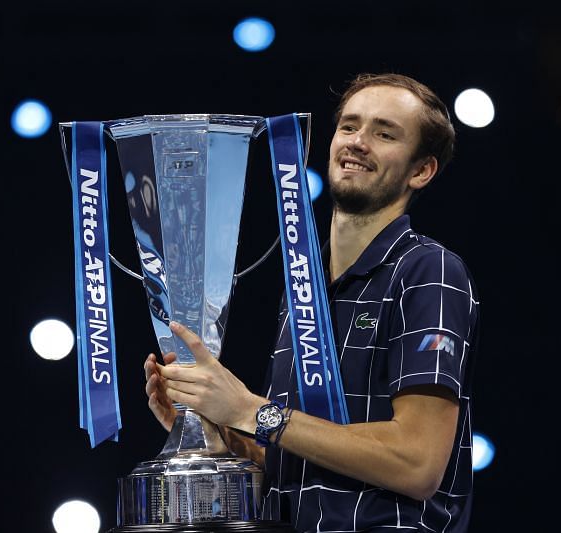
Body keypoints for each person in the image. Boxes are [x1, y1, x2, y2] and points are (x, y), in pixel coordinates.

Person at [144, 73, 480, 532]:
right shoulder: (305, 286)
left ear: (421, 170)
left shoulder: (428, 271)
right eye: (349, 126)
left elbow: (416, 464)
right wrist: (218, 431)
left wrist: (248, 409)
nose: (358, 142)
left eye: (384, 133)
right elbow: (301, 471)